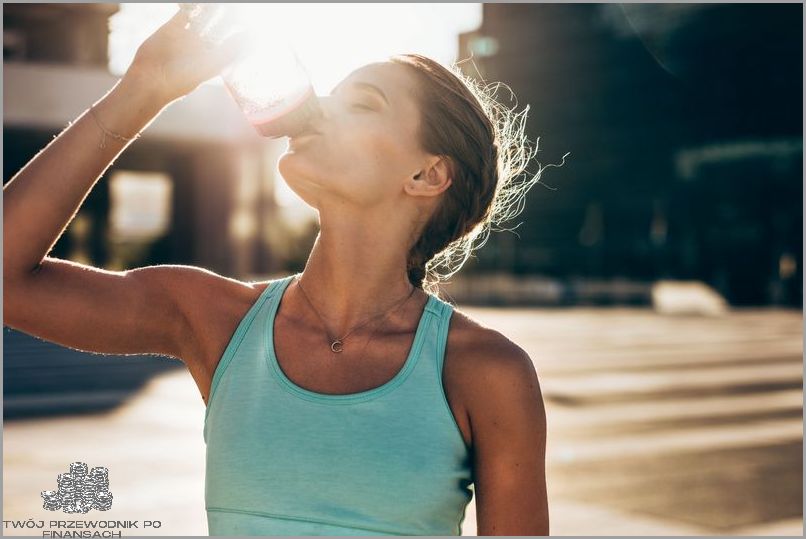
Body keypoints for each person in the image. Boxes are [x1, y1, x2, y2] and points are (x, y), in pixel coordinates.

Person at [4, 7, 549, 536]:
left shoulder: (485, 371)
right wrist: (143, 88)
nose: (319, 107)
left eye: (363, 103)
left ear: (427, 175)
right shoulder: (216, 321)